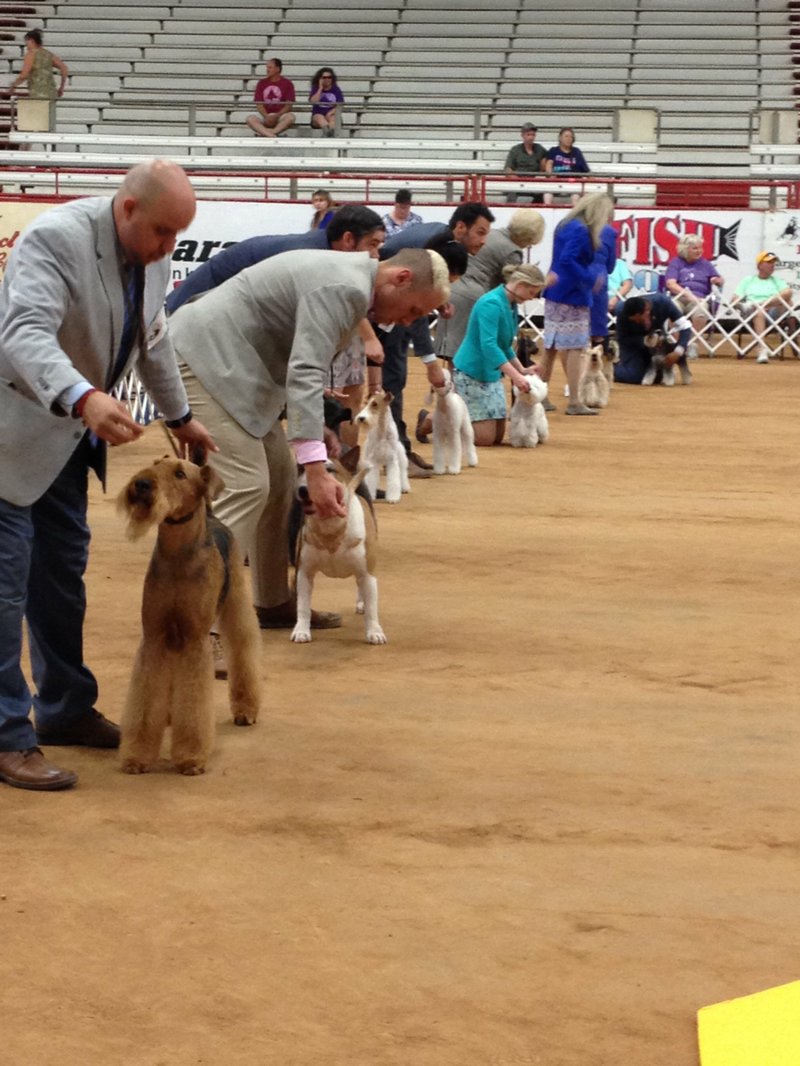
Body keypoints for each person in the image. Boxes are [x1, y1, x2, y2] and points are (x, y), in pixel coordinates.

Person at [0, 160, 216, 792]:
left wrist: (181, 416)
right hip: (12, 429)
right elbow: (23, 332)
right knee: (4, 591)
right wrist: (82, 395)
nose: (169, 250)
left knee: (62, 580)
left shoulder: (150, 254)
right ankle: (9, 737)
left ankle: (64, 710)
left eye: (178, 236)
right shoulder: (54, 239)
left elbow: (154, 340)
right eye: (163, 233)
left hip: (65, 442)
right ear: (126, 210)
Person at [167, 248, 449, 651]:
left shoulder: (354, 289)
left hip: (241, 371)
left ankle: (272, 602)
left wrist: (315, 430)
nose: (409, 321)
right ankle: (196, 630)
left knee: (281, 478)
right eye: (414, 311)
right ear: (400, 279)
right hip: (203, 357)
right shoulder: (345, 290)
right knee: (245, 485)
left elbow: (302, 363)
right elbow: (305, 370)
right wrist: (316, 467)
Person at [377, 202, 495, 468]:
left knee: (393, 379)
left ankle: (397, 451)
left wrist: (438, 303)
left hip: (386, 305)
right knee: (392, 380)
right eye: (480, 232)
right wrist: (431, 362)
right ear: (460, 227)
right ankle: (397, 456)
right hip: (382, 308)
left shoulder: (442, 242)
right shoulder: (431, 248)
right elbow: (414, 308)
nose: (484, 241)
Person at [166, 203, 385, 314]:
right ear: (348, 239)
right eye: (372, 245)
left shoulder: (323, 252)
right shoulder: (309, 257)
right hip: (211, 288)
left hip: (226, 292)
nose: (375, 256)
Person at [434, 207, 545, 363]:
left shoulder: (491, 234)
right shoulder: (513, 252)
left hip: (452, 290)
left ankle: (452, 386)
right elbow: (510, 288)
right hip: (473, 298)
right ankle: (460, 386)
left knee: (452, 352)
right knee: (465, 354)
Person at [453, 264, 545, 446]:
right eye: (532, 292)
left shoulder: (511, 305)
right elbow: (489, 346)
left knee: (497, 437)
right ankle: (433, 420)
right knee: (484, 439)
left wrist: (522, 370)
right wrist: (516, 377)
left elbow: (504, 344)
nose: (532, 298)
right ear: (520, 285)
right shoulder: (491, 304)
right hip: (471, 372)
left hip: (491, 373)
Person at [539, 192, 613, 415]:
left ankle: (541, 396)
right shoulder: (582, 230)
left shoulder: (566, 224)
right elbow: (568, 260)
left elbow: (561, 260)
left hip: (555, 289)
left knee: (550, 346)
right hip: (573, 293)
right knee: (575, 347)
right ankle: (574, 401)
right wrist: (590, 279)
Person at [664, 234, 723, 358]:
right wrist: (686, 294)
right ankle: (678, 344)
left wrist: (717, 280)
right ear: (685, 249)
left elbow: (718, 278)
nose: (699, 251)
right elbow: (671, 283)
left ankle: (692, 344)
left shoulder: (706, 264)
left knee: (701, 311)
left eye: (700, 248)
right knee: (672, 308)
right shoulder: (676, 263)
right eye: (695, 248)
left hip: (699, 298)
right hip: (679, 297)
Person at [613, 293, 692, 386]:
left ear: (646, 311)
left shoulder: (663, 303)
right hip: (633, 345)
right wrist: (644, 340)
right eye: (633, 321)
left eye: (637, 320)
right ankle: (610, 369)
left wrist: (678, 351)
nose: (635, 322)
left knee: (658, 377)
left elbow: (685, 326)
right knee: (633, 377)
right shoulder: (621, 310)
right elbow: (622, 339)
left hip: (658, 344)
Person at [730, 251, 793, 363]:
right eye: (769, 262)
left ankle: (760, 305)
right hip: (752, 315)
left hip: (774, 314)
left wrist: (764, 304)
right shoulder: (748, 280)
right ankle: (762, 349)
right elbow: (734, 301)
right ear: (759, 265)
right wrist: (742, 306)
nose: (772, 264)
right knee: (759, 311)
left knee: (787, 294)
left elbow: (787, 295)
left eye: (773, 262)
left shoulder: (777, 281)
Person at [9, 29, 68, 132]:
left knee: (32, 125)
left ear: (31, 40)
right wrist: (61, 87)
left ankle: (26, 145)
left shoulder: (31, 54)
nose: (26, 45)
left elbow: (24, 74)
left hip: (37, 94)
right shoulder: (48, 54)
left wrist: (14, 85)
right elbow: (64, 68)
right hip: (50, 93)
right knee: (48, 125)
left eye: (27, 41)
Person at [246, 57, 296, 138]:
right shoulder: (261, 83)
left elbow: (289, 105)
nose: (267, 70)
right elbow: (259, 104)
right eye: (267, 67)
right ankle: (271, 135)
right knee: (250, 119)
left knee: (290, 117)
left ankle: (269, 133)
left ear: (278, 69)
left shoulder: (287, 83)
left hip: (280, 115)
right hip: (265, 115)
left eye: (270, 67)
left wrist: (277, 115)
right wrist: (266, 116)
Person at [589, 221, 618, 352]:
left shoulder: (571, 225)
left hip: (575, 276)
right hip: (599, 276)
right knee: (598, 327)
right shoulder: (609, 231)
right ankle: (601, 367)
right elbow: (611, 266)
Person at [543, 127, 590, 206]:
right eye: (566, 136)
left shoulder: (576, 152)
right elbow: (549, 164)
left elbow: (586, 171)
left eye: (571, 137)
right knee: (547, 194)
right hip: (556, 181)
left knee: (575, 197)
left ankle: (574, 217)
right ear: (560, 138)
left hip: (573, 183)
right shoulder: (553, 150)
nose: (569, 139)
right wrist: (550, 176)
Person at [503, 122, 547, 203]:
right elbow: (508, 169)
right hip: (517, 182)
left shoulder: (539, 149)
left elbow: (547, 161)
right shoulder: (515, 150)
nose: (531, 137)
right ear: (522, 135)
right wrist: (518, 180)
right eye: (528, 135)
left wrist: (543, 169)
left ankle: (535, 212)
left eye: (533, 135)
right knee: (512, 191)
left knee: (543, 192)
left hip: (534, 183)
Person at [309, 67, 343, 136]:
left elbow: (340, 105)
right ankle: (327, 131)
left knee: (333, 118)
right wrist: (320, 88)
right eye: (324, 77)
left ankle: (330, 133)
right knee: (319, 117)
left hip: (331, 115)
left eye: (329, 77)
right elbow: (313, 101)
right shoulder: (316, 88)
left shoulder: (336, 89)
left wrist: (329, 113)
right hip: (318, 116)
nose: (327, 79)